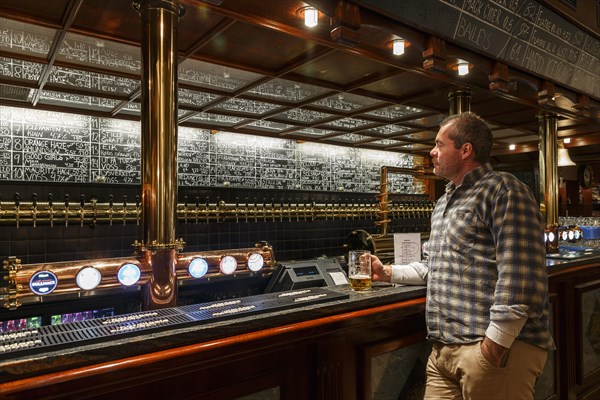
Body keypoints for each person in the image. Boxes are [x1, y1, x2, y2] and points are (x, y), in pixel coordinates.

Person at [370, 112, 553, 399]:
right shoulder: (443, 202)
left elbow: (522, 274)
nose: (432, 152)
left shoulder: (502, 189)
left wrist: (493, 348)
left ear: (465, 150)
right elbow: (435, 267)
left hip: (490, 351)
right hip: (443, 353)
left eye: (439, 144)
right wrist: (388, 273)